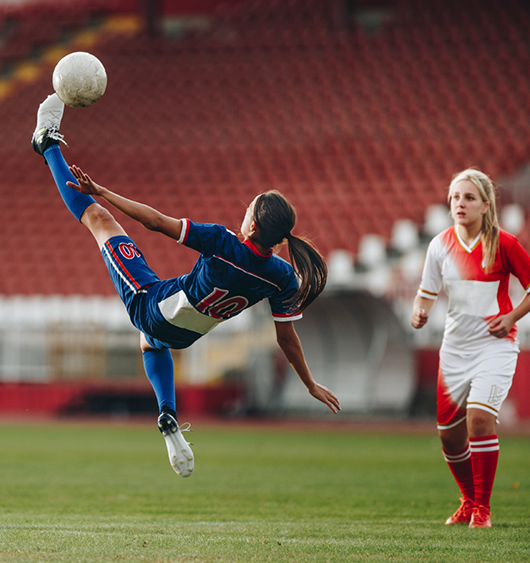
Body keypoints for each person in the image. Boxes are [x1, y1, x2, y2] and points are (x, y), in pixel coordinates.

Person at [30, 94, 340, 477]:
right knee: (149, 341)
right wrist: (309, 383)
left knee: (98, 219)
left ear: (254, 227)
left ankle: (45, 143)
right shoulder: (282, 276)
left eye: (249, 208)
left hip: (152, 304)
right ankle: (167, 413)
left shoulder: (223, 242)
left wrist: (103, 192)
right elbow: (287, 340)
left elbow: (158, 222)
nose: (244, 211)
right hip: (187, 335)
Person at [411, 168, 530, 529]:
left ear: (485, 205)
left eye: (468, 198)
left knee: (479, 420)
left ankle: (484, 509)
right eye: (454, 198)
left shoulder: (505, 243)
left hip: (495, 346)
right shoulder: (439, 245)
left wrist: (511, 319)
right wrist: (420, 310)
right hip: (455, 350)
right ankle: (467, 501)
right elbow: (426, 292)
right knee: (448, 434)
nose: (459, 204)